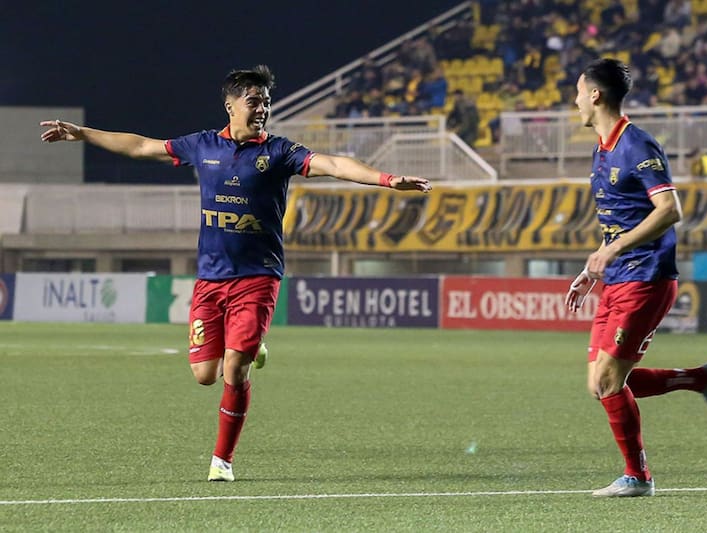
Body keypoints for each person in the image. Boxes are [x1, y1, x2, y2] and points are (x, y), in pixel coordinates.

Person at [39, 65, 432, 482]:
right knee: (204, 376)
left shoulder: (280, 153)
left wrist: (387, 180)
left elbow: (333, 163)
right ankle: (251, 347)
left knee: (234, 369)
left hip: (257, 277)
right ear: (230, 105)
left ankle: (221, 460)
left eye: (265, 101)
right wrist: (82, 133)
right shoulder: (202, 146)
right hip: (210, 280)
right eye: (253, 101)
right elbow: (140, 147)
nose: (261, 108)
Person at [564, 58, 707, 498]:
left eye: (579, 91)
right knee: (601, 384)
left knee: (606, 382)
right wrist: (593, 266)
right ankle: (700, 379)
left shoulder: (637, 145)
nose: (575, 99)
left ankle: (638, 477)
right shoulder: (601, 149)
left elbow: (670, 210)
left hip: (647, 276)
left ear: (595, 95)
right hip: (618, 277)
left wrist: (614, 250)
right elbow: (618, 222)